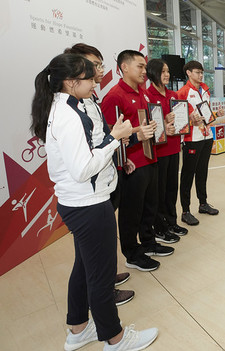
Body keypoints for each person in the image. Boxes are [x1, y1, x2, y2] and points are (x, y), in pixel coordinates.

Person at [31, 53, 158, 351]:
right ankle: (114, 338)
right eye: (90, 76)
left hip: (82, 201)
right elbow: (83, 168)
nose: (96, 81)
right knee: (101, 275)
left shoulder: (68, 107)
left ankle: (77, 329)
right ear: (72, 82)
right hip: (87, 204)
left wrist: (114, 141)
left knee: (84, 268)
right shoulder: (68, 115)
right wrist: (115, 139)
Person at [63, 43, 135, 306]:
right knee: (89, 259)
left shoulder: (89, 99)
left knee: (90, 257)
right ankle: (103, 302)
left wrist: (118, 152)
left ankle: (91, 304)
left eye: (102, 65)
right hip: (87, 194)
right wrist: (116, 139)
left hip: (101, 182)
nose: (100, 71)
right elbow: (86, 157)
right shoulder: (70, 111)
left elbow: (100, 139)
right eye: (95, 65)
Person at [102, 50, 174, 272]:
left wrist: (165, 123)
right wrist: (136, 133)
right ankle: (132, 254)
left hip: (150, 157)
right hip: (132, 163)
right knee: (131, 212)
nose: (145, 71)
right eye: (140, 67)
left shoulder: (142, 93)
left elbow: (149, 124)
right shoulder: (115, 96)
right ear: (124, 67)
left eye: (145, 67)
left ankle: (149, 243)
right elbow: (109, 136)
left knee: (149, 206)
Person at [145, 59, 188, 242]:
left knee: (172, 188)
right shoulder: (148, 96)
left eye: (168, 71)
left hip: (173, 148)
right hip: (158, 152)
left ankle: (172, 221)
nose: (167, 74)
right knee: (159, 192)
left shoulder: (172, 94)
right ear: (153, 73)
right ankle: (160, 227)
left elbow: (179, 120)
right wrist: (164, 118)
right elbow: (148, 125)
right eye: (163, 71)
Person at [177, 60, 222, 226]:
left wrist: (216, 113)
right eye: (197, 72)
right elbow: (179, 119)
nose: (200, 75)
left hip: (206, 135)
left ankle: (203, 203)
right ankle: (185, 211)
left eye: (201, 72)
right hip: (192, 139)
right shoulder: (183, 92)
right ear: (188, 73)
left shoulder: (205, 89)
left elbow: (206, 113)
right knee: (188, 174)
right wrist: (190, 121)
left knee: (202, 172)